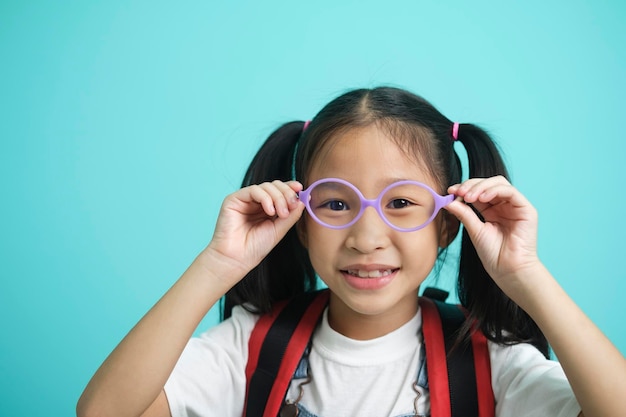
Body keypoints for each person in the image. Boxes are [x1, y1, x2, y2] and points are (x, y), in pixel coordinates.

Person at [77, 87, 626, 417]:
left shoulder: (488, 361)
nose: (366, 237)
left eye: (402, 202)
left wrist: (526, 273)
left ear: (447, 225)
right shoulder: (250, 346)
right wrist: (217, 265)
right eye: (336, 204)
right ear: (298, 220)